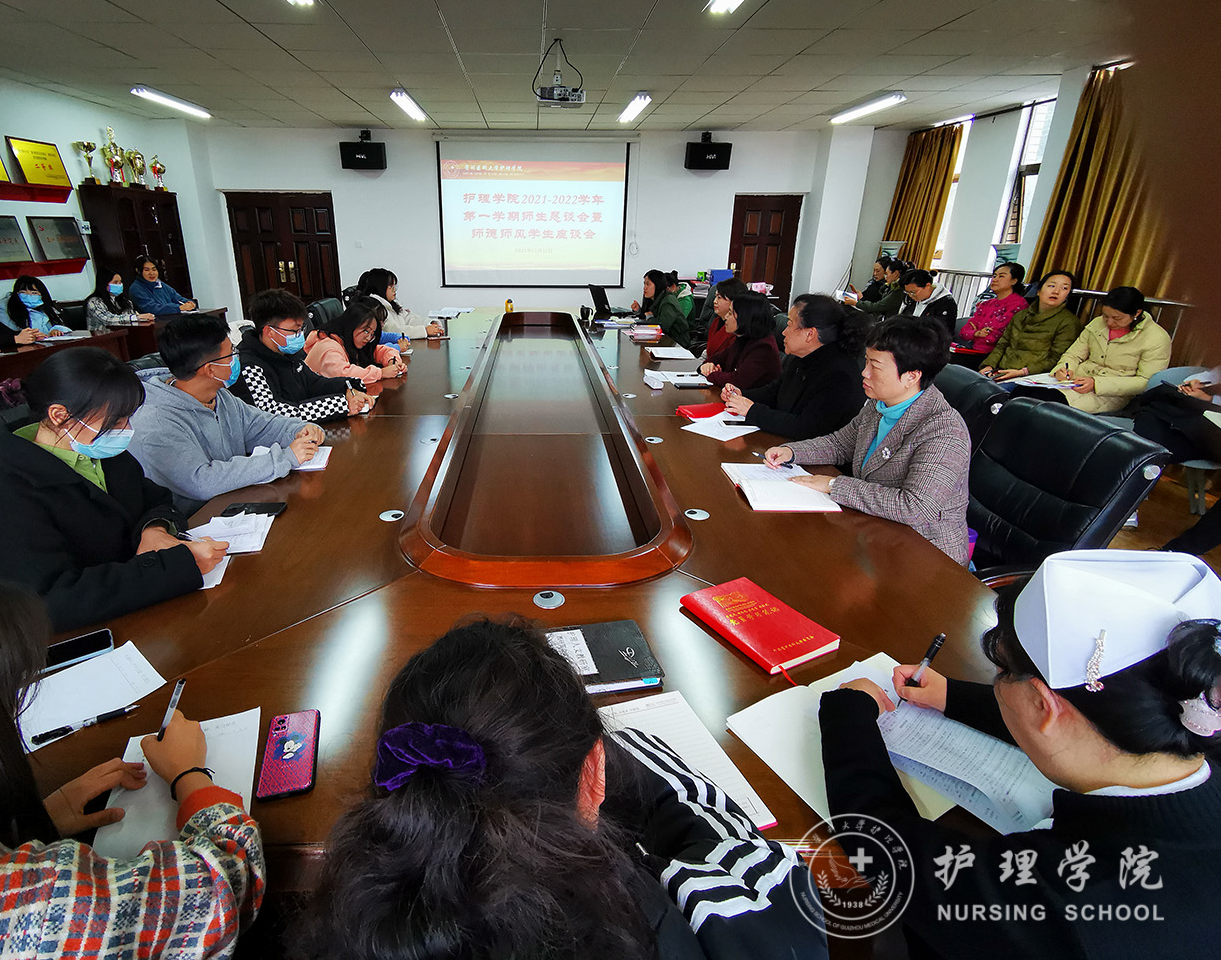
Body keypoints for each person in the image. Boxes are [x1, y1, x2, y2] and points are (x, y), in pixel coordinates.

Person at [297, 616, 825, 960]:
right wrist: (611, 747)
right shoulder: (722, 921)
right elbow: (736, 846)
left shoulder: (346, 921)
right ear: (593, 776)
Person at [819, 550, 1221, 959]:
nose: (997, 683)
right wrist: (952, 696)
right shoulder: (1188, 740)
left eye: (1003, 671)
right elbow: (1083, 719)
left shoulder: (1059, 904)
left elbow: (891, 850)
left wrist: (848, 716)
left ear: (1044, 706)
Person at [0, 564, 265, 960]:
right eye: (6, 705)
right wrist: (189, 775)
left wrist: (38, 823)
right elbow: (227, 880)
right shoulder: (20, 903)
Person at [0, 347, 225, 631]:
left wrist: (154, 530)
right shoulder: (11, 493)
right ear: (59, 415)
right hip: (88, 635)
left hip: (145, 611)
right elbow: (48, 602)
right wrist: (175, 567)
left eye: (128, 418)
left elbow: (156, 500)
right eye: (115, 421)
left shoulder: (105, 455)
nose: (126, 430)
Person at [761, 316, 971, 564]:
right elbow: (840, 444)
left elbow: (915, 507)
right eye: (866, 361)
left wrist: (834, 485)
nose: (864, 372)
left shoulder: (944, 431)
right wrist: (791, 452)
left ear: (911, 376)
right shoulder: (879, 404)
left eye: (875, 366)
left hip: (924, 556)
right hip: (875, 532)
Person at [128, 313, 326, 516]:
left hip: (235, 504)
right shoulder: (156, 423)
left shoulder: (219, 395)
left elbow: (260, 426)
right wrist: (285, 458)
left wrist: (298, 429)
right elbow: (203, 481)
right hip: (194, 522)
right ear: (210, 370)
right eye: (231, 353)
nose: (236, 357)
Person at [722, 293, 869, 439]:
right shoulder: (800, 357)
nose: (783, 332)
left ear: (810, 334)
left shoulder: (840, 375)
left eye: (789, 324)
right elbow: (774, 392)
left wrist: (752, 411)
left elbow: (805, 427)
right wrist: (741, 395)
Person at [233, 288, 372, 423]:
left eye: (301, 329)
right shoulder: (249, 366)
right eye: (294, 331)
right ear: (270, 331)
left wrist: (348, 388)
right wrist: (341, 405)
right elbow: (272, 413)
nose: (299, 335)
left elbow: (314, 383)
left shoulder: (287, 352)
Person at [1034, 285, 1173, 413]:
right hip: (1075, 381)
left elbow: (1146, 381)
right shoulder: (1097, 323)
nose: (1109, 322)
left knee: (1052, 408)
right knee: (1028, 395)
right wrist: (1064, 369)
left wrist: (1097, 384)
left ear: (1137, 313)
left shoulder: (1156, 338)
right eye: (1105, 316)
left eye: (1117, 318)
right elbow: (1073, 355)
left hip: (1113, 392)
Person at [978, 270, 1081, 380]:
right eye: (1051, 286)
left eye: (1064, 288)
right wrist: (989, 366)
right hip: (1001, 370)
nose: (1056, 291)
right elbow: (1002, 344)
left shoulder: (1069, 322)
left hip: (1031, 376)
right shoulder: (1021, 315)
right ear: (1038, 291)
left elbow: (1056, 358)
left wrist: (1023, 372)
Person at [305, 299, 406, 384]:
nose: (368, 338)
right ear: (351, 325)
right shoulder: (328, 346)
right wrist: (381, 373)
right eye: (366, 331)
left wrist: (393, 362)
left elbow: (381, 350)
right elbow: (343, 374)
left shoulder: (351, 342)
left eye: (372, 334)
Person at [697, 290, 781, 389]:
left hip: (750, 398)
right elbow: (717, 358)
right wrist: (707, 366)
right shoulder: (743, 338)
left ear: (745, 317)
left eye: (730, 313)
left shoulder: (763, 348)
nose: (726, 317)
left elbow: (737, 381)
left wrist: (711, 374)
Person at [957, 261, 1028, 353]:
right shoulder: (986, 304)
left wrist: (976, 334)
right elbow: (963, 332)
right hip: (974, 351)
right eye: (994, 276)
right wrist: (977, 333)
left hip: (997, 354)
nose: (995, 279)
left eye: (1001, 276)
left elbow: (994, 337)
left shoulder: (1018, 304)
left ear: (1014, 281)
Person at [356, 267, 444, 338]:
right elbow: (394, 331)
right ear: (380, 288)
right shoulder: (375, 308)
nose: (394, 290)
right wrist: (424, 331)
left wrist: (430, 323)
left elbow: (409, 318)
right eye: (391, 287)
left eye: (394, 286)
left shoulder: (391, 304)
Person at [0, 276, 73, 337]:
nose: (28, 296)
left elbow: (60, 325)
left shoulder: (46, 307)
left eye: (34, 293)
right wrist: (32, 335)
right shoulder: (2, 308)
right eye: (23, 292)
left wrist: (56, 330)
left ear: (42, 295)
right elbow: (8, 333)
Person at [631, 268, 690, 348]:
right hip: (662, 341)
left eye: (648, 284)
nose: (644, 288)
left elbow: (662, 327)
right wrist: (639, 311)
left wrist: (650, 317)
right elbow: (649, 316)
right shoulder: (655, 299)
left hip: (676, 343)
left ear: (658, 285)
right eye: (644, 284)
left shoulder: (668, 301)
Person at [85, 265, 155, 333]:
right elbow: (108, 320)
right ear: (104, 283)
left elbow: (129, 319)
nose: (119, 285)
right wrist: (136, 317)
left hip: (123, 334)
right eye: (115, 282)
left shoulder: (124, 301)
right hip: (102, 337)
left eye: (120, 282)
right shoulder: (94, 302)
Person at [127, 254, 195, 315]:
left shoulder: (160, 284)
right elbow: (153, 309)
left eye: (154, 269)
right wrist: (179, 308)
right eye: (147, 270)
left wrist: (190, 303)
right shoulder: (136, 288)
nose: (151, 273)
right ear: (138, 271)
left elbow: (178, 299)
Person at [700, 276, 748, 361]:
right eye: (715, 297)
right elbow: (708, 350)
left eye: (719, 297)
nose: (714, 301)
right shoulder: (717, 321)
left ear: (733, 301)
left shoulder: (736, 329)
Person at [900, 268, 958, 336]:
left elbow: (942, 332)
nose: (910, 295)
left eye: (913, 292)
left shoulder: (946, 303)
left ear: (927, 286)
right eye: (907, 292)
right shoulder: (914, 298)